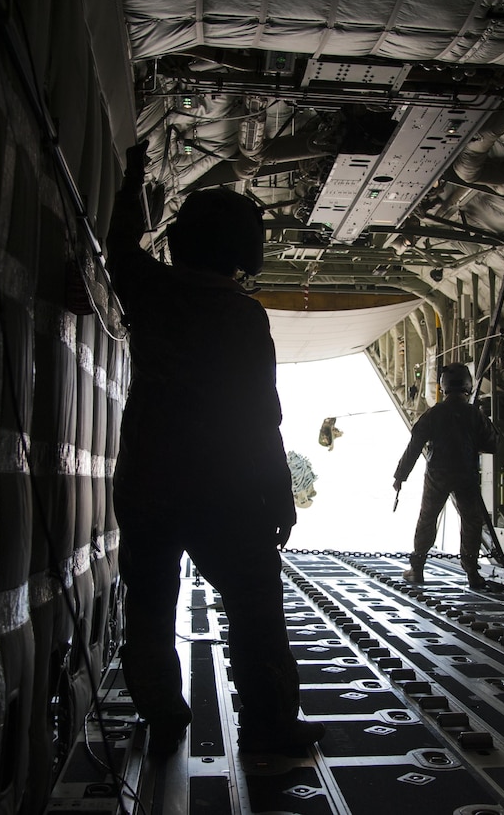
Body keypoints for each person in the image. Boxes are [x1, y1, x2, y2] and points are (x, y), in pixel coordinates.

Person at [106, 141, 324, 756]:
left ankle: (163, 715)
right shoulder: (242, 318)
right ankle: (270, 727)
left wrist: (132, 181)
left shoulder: (150, 291)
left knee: (149, 603)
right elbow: (260, 419)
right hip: (223, 492)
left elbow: (120, 247)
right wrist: (279, 499)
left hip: (148, 481)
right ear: (234, 249)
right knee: (255, 608)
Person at [393, 363, 498, 588]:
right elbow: (493, 444)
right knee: (471, 521)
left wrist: (400, 476)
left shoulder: (435, 413)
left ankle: (417, 568)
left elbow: (415, 445)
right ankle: (472, 572)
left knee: (428, 518)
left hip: (437, 474)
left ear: (444, 386)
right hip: (466, 475)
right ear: (468, 386)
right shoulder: (474, 414)